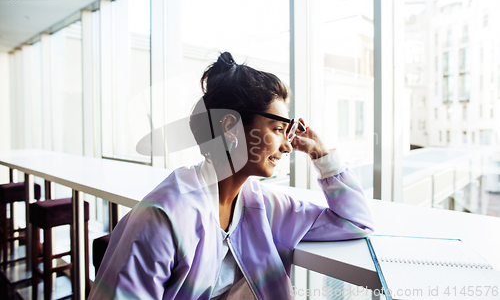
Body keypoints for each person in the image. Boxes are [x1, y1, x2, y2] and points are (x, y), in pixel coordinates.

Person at [88, 52, 374, 300]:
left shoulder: (261, 206)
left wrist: (320, 152)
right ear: (230, 127)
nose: (288, 145)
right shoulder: (162, 220)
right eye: (277, 130)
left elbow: (354, 221)